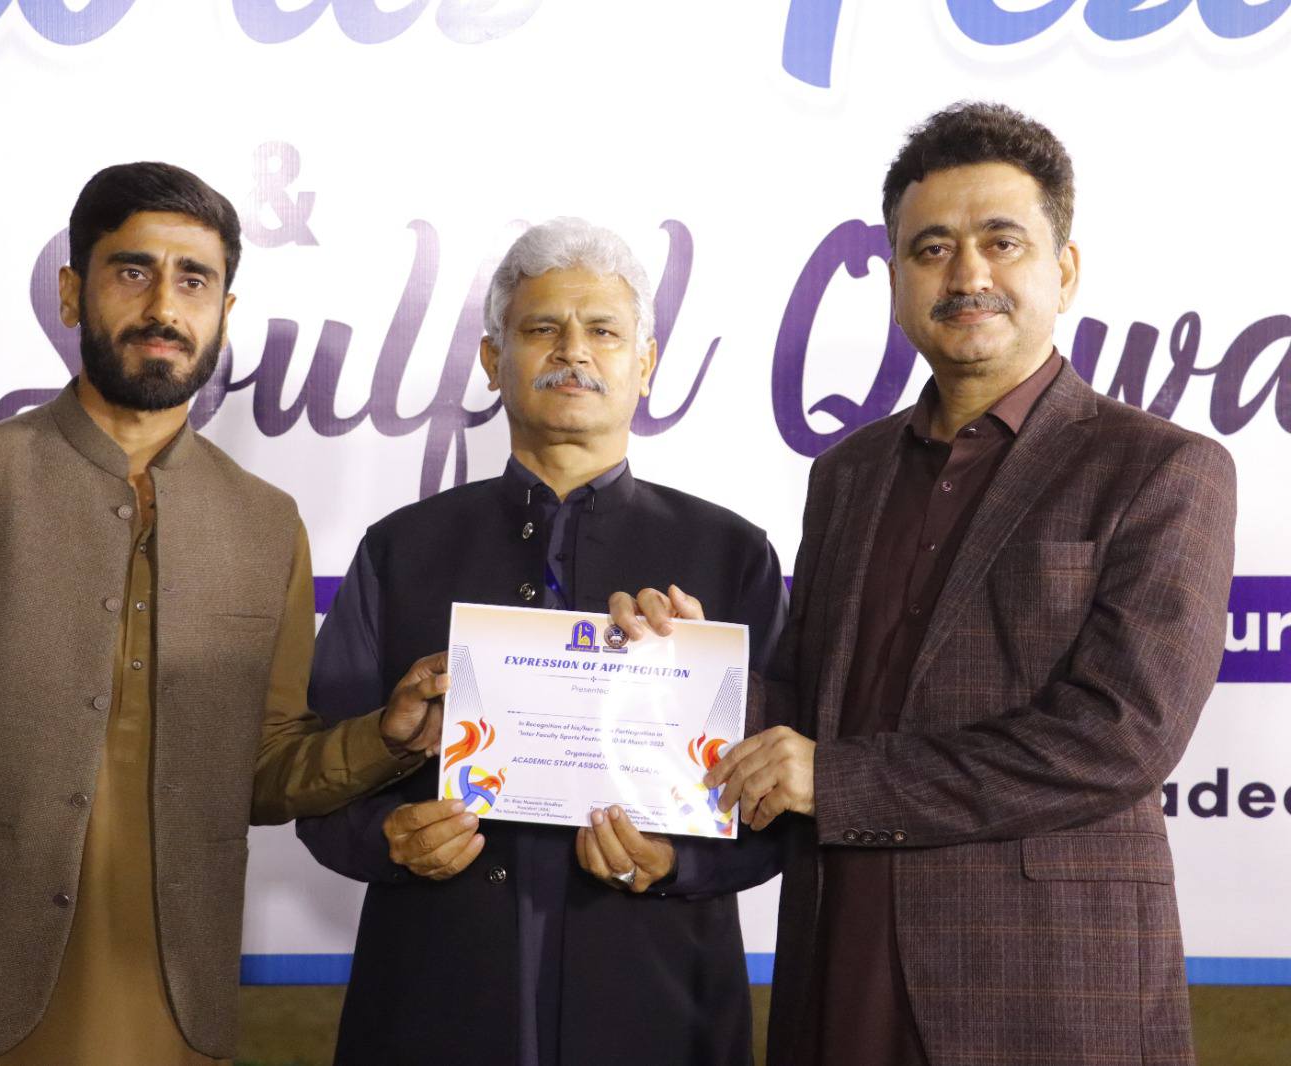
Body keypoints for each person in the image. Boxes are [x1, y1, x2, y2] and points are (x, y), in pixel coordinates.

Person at [0, 162, 446, 1066]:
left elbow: (263, 772)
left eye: (194, 281)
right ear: (73, 294)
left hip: (167, 1006)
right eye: (132, 271)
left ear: (225, 312)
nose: (164, 306)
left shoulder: (267, 524)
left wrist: (384, 739)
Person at [612, 102, 1236, 1066]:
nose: (967, 274)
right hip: (838, 965)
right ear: (898, 280)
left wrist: (838, 779)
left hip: (1041, 992)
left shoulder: (1161, 469)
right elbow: (815, 709)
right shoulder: (848, 474)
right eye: (932, 248)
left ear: (1065, 270)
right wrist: (692, 677)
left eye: (1002, 242)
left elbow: (1120, 736)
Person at [295, 218, 789, 1066]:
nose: (574, 352)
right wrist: (391, 837)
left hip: (660, 999)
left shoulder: (732, 556)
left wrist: (676, 860)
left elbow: (787, 801)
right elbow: (313, 782)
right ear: (494, 360)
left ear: (647, 363)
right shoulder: (400, 550)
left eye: (604, 331)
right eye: (541, 329)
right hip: (435, 996)